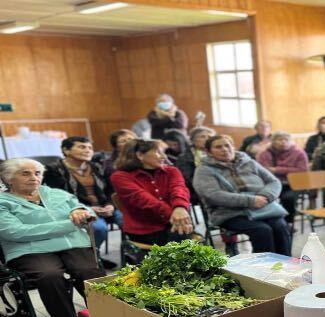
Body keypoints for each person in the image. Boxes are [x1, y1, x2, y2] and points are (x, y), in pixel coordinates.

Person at [0, 158, 104, 317]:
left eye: (37, 173)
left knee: (88, 271)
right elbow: (15, 232)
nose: (34, 177)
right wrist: (69, 225)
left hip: (72, 245)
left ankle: (106, 312)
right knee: (49, 275)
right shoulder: (2, 202)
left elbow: (84, 209)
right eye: (25, 174)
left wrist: (80, 211)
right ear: (8, 178)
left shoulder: (54, 193)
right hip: (29, 250)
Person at [194, 135, 292, 255]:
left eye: (227, 145)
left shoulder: (249, 162)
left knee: (280, 226)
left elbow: (274, 181)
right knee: (262, 230)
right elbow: (213, 194)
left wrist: (265, 196)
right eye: (218, 147)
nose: (224, 149)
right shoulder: (204, 170)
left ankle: (286, 266)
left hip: (263, 207)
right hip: (229, 213)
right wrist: (250, 201)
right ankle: (265, 269)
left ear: (233, 147)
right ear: (209, 152)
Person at [42, 136, 123, 269]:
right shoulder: (54, 170)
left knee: (128, 220)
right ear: (66, 150)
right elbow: (60, 197)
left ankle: (131, 254)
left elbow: (110, 189)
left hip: (105, 206)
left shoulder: (97, 166)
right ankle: (91, 258)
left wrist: (110, 204)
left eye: (90, 148)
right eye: (82, 147)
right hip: (78, 209)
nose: (88, 150)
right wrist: (88, 208)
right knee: (98, 228)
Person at [110, 139, 193, 246]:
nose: (164, 157)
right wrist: (176, 216)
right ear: (140, 155)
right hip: (145, 228)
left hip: (177, 222)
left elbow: (179, 190)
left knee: (182, 241)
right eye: (158, 152)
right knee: (180, 245)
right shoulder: (120, 177)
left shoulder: (172, 171)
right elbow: (144, 200)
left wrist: (180, 208)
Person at [255, 131, 308, 225]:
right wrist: (289, 170)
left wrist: (277, 170)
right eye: (280, 139)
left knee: (288, 198)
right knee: (263, 198)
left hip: (293, 184)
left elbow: (302, 170)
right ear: (273, 141)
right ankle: (269, 222)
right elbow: (262, 170)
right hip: (271, 184)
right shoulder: (265, 154)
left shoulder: (299, 153)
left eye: (286, 140)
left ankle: (288, 223)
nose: (283, 142)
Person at [176, 126, 215, 206]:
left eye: (210, 137)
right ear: (193, 140)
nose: (207, 139)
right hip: (197, 195)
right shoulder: (184, 157)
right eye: (202, 136)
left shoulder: (219, 154)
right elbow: (188, 179)